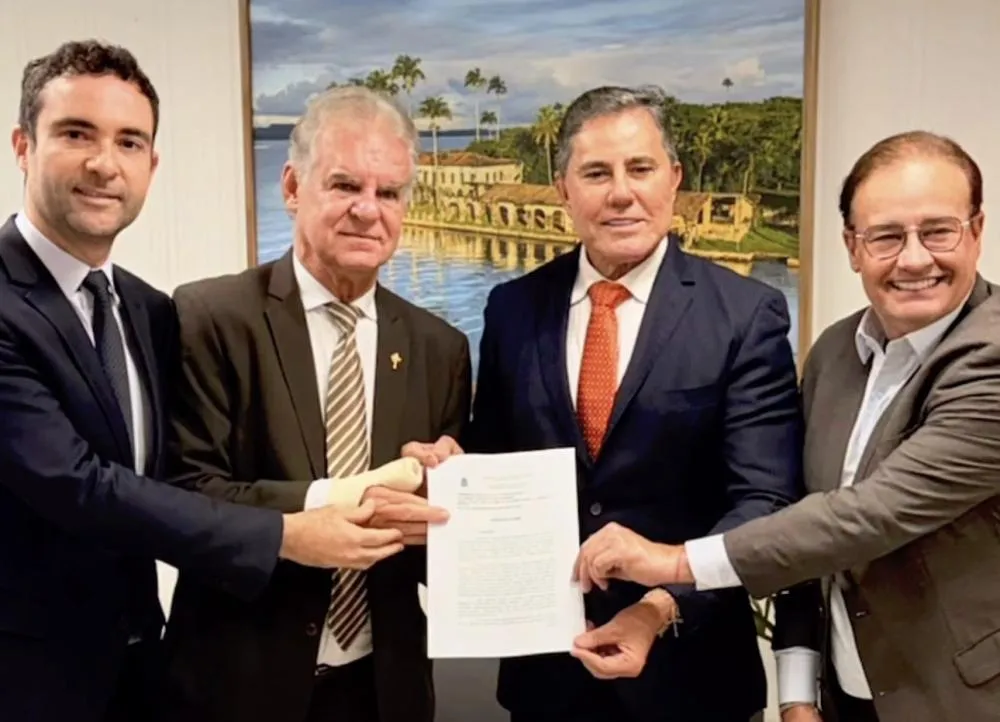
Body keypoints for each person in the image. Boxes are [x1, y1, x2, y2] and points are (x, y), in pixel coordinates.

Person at [0, 40, 409, 722]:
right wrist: (287, 534)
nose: (105, 163)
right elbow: (79, 484)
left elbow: (177, 474)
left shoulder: (146, 309)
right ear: (23, 145)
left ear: (151, 165)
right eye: (76, 134)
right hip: (23, 680)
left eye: (129, 142)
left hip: (142, 671)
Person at [573, 131, 1000, 722]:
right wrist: (797, 691)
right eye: (885, 236)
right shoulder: (835, 353)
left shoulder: (991, 356)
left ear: (976, 231)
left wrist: (672, 563)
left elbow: (872, 516)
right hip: (845, 699)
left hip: (963, 701)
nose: (914, 259)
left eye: (938, 231)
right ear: (852, 247)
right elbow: (803, 517)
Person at [462, 84, 804, 722]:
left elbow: (766, 500)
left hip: (693, 680)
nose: (621, 192)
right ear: (563, 189)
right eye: (596, 173)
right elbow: (495, 466)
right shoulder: (512, 309)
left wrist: (660, 605)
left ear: (673, 179)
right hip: (547, 682)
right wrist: (453, 473)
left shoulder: (745, 315)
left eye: (640, 168)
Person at [156, 85, 472, 722]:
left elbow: (440, 553)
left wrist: (449, 501)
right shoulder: (210, 316)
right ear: (293, 187)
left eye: (389, 193)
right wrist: (338, 500)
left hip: (384, 693)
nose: (368, 210)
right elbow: (187, 495)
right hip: (237, 687)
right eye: (345, 185)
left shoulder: (441, 348)